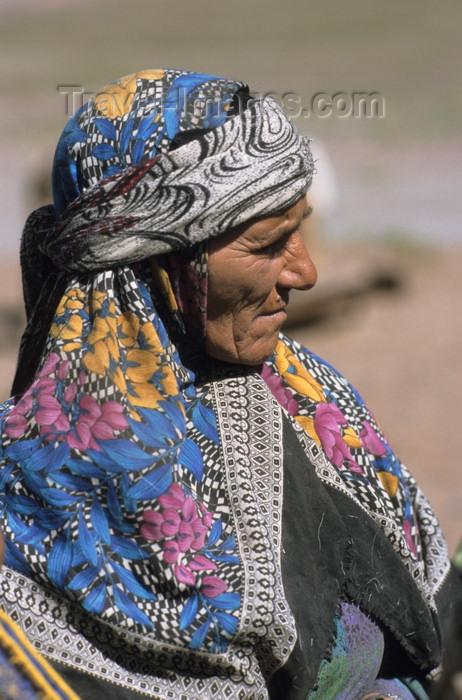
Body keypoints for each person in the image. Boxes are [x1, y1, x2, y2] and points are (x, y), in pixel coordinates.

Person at [0, 69, 460, 700]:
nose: (308, 272)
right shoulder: (62, 475)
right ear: (157, 263)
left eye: (301, 227)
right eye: (268, 244)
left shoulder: (303, 390)